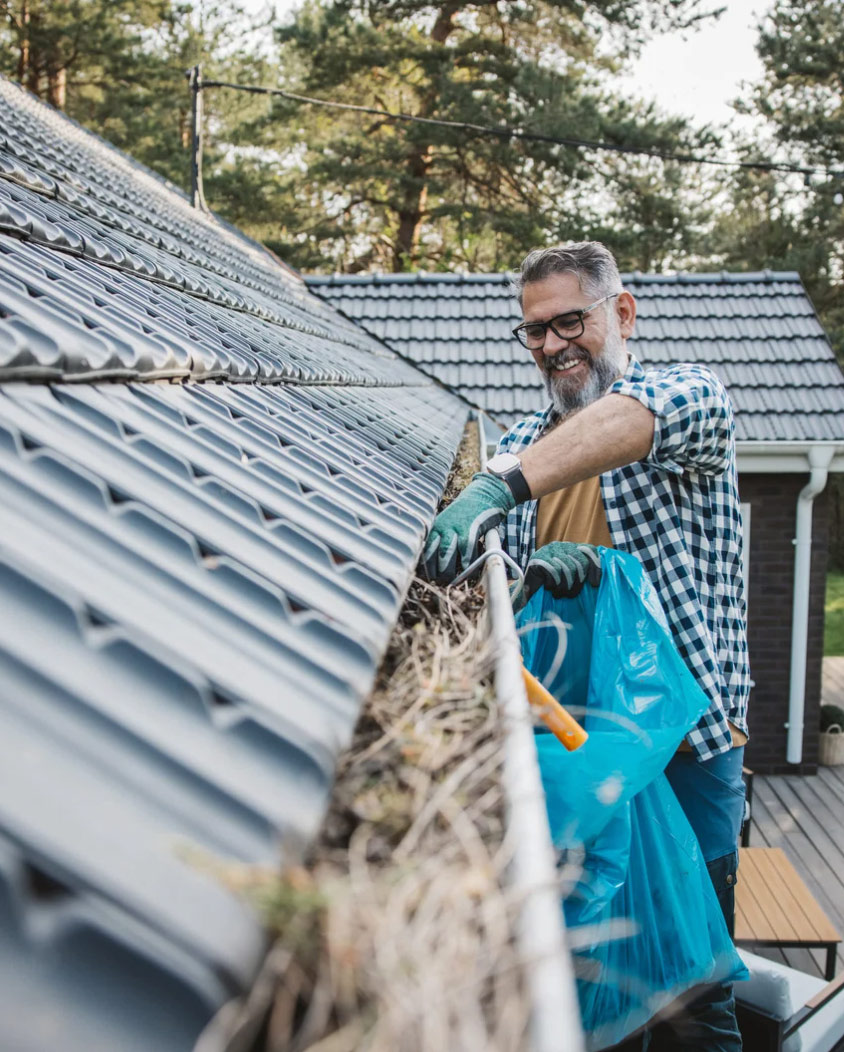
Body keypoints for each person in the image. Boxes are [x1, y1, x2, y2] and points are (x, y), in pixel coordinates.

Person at [422, 241, 750, 1051]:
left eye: (572, 320)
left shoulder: (690, 398)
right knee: (598, 975)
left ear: (622, 312)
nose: (553, 345)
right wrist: (524, 571)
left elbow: (634, 420)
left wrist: (498, 488)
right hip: (578, 745)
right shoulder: (526, 441)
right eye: (534, 331)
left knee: (694, 979)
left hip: (687, 746)